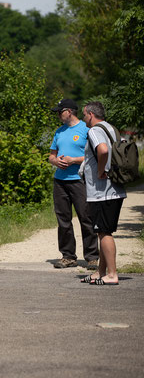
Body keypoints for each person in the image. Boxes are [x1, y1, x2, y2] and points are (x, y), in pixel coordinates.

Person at [49, 98, 99, 270]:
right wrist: (56, 161)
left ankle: (92, 257)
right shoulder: (59, 132)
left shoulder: (86, 130)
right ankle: (68, 256)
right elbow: (51, 155)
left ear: (68, 111)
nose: (58, 115)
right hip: (60, 181)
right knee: (63, 220)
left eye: (59, 112)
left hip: (79, 180)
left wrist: (74, 160)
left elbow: (94, 156)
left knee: (86, 218)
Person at [81, 101, 126, 285]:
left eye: (84, 114)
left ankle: (112, 274)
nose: (84, 118)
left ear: (91, 114)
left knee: (104, 233)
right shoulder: (112, 129)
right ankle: (100, 272)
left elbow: (103, 150)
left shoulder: (93, 130)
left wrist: (100, 170)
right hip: (115, 189)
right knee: (102, 232)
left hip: (102, 192)